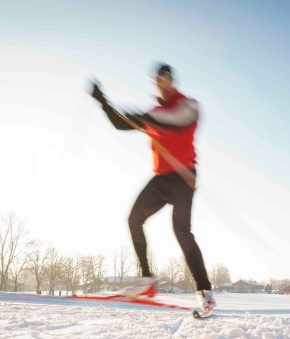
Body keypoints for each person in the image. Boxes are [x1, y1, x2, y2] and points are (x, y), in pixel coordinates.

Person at [89, 63, 216, 312]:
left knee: (181, 231)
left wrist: (145, 118)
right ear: (155, 82)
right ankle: (147, 280)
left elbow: (178, 121)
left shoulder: (188, 105)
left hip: (183, 176)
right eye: (158, 79)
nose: (163, 83)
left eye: (167, 78)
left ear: (172, 80)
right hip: (161, 178)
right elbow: (122, 124)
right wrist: (103, 101)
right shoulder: (155, 112)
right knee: (134, 219)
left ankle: (205, 291)